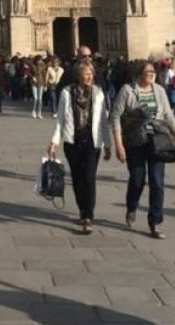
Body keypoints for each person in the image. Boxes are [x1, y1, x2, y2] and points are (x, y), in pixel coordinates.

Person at [111, 61, 175, 239]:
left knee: (157, 182)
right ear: (139, 73)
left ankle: (155, 222)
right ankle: (132, 206)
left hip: (157, 140)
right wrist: (118, 144)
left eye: (153, 71)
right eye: (147, 71)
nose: (151, 74)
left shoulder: (159, 91)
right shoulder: (127, 90)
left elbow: (169, 116)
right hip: (134, 141)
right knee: (137, 180)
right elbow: (115, 116)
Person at [48, 62, 113, 234]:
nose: (90, 76)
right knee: (77, 178)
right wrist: (54, 142)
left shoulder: (98, 93)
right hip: (73, 141)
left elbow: (104, 121)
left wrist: (108, 144)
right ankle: (82, 207)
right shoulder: (67, 93)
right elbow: (61, 119)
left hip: (93, 141)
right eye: (86, 74)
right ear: (78, 76)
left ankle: (88, 215)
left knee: (89, 177)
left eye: (91, 73)